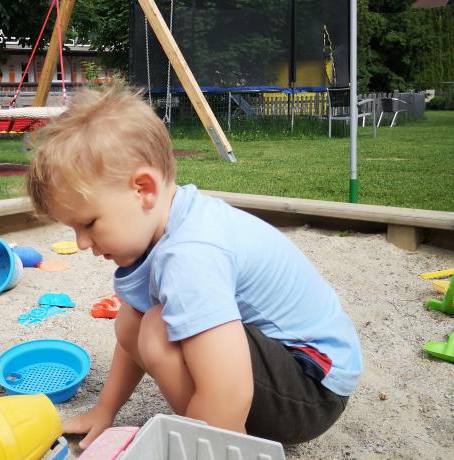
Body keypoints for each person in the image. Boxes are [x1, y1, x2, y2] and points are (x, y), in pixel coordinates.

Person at [26, 88, 363, 448]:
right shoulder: (168, 222)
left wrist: (205, 447)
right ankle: (216, 430)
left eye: (89, 223)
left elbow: (229, 391)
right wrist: (105, 410)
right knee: (133, 319)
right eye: (74, 229)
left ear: (143, 190)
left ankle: (222, 441)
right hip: (288, 371)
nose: (81, 243)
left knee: (158, 329)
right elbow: (131, 335)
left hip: (312, 387)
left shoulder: (190, 255)